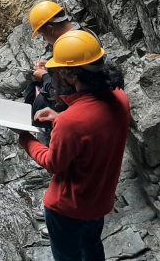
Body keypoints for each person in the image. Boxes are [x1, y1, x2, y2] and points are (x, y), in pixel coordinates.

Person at [18, 30, 130, 261]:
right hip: (100, 199)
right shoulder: (120, 97)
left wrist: (25, 137)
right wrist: (59, 117)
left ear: (70, 74)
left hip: (68, 208)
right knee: (92, 247)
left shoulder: (73, 121)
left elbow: (53, 164)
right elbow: (96, 128)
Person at [26, 0, 95, 143]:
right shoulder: (84, 33)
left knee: (37, 88)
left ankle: (53, 134)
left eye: (43, 35)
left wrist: (45, 76)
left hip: (78, 101)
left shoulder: (72, 44)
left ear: (51, 29)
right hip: (86, 93)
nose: (45, 40)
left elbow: (64, 89)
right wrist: (51, 64)